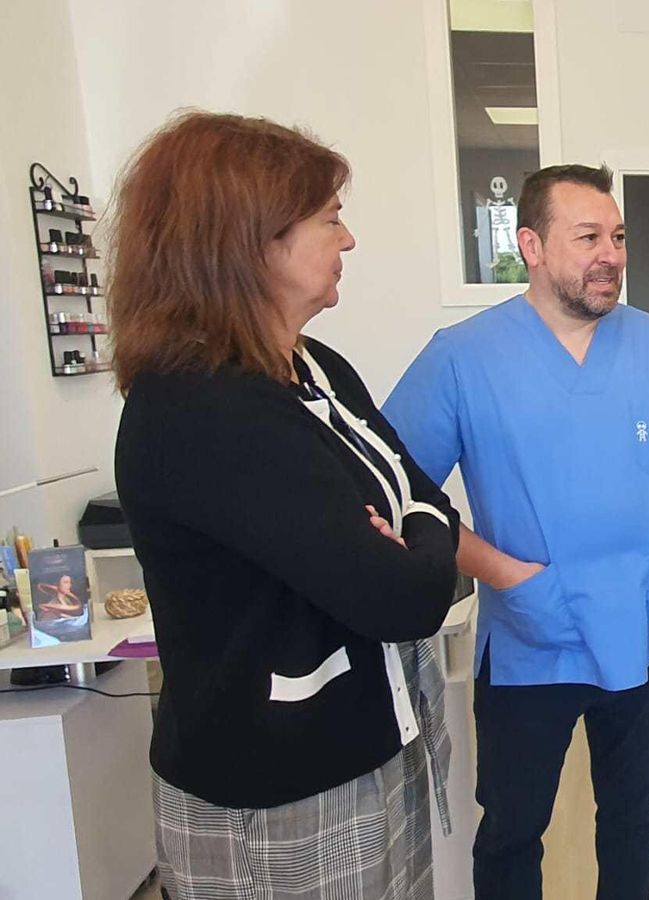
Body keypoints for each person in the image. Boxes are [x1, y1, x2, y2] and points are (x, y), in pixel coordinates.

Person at [110, 111, 462, 900]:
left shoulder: (314, 367)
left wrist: (411, 528)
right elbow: (401, 596)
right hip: (280, 799)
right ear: (249, 239)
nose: (349, 241)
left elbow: (426, 495)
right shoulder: (202, 410)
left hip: (377, 748)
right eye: (330, 218)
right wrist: (414, 540)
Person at [382, 163, 649, 899]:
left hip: (639, 627)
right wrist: (502, 573)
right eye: (589, 236)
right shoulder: (464, 355)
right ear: (530, 245)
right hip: (529, 640)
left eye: (619, 236)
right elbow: (400, 489)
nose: (612, 253)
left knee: (632, 818)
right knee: (511, 828)